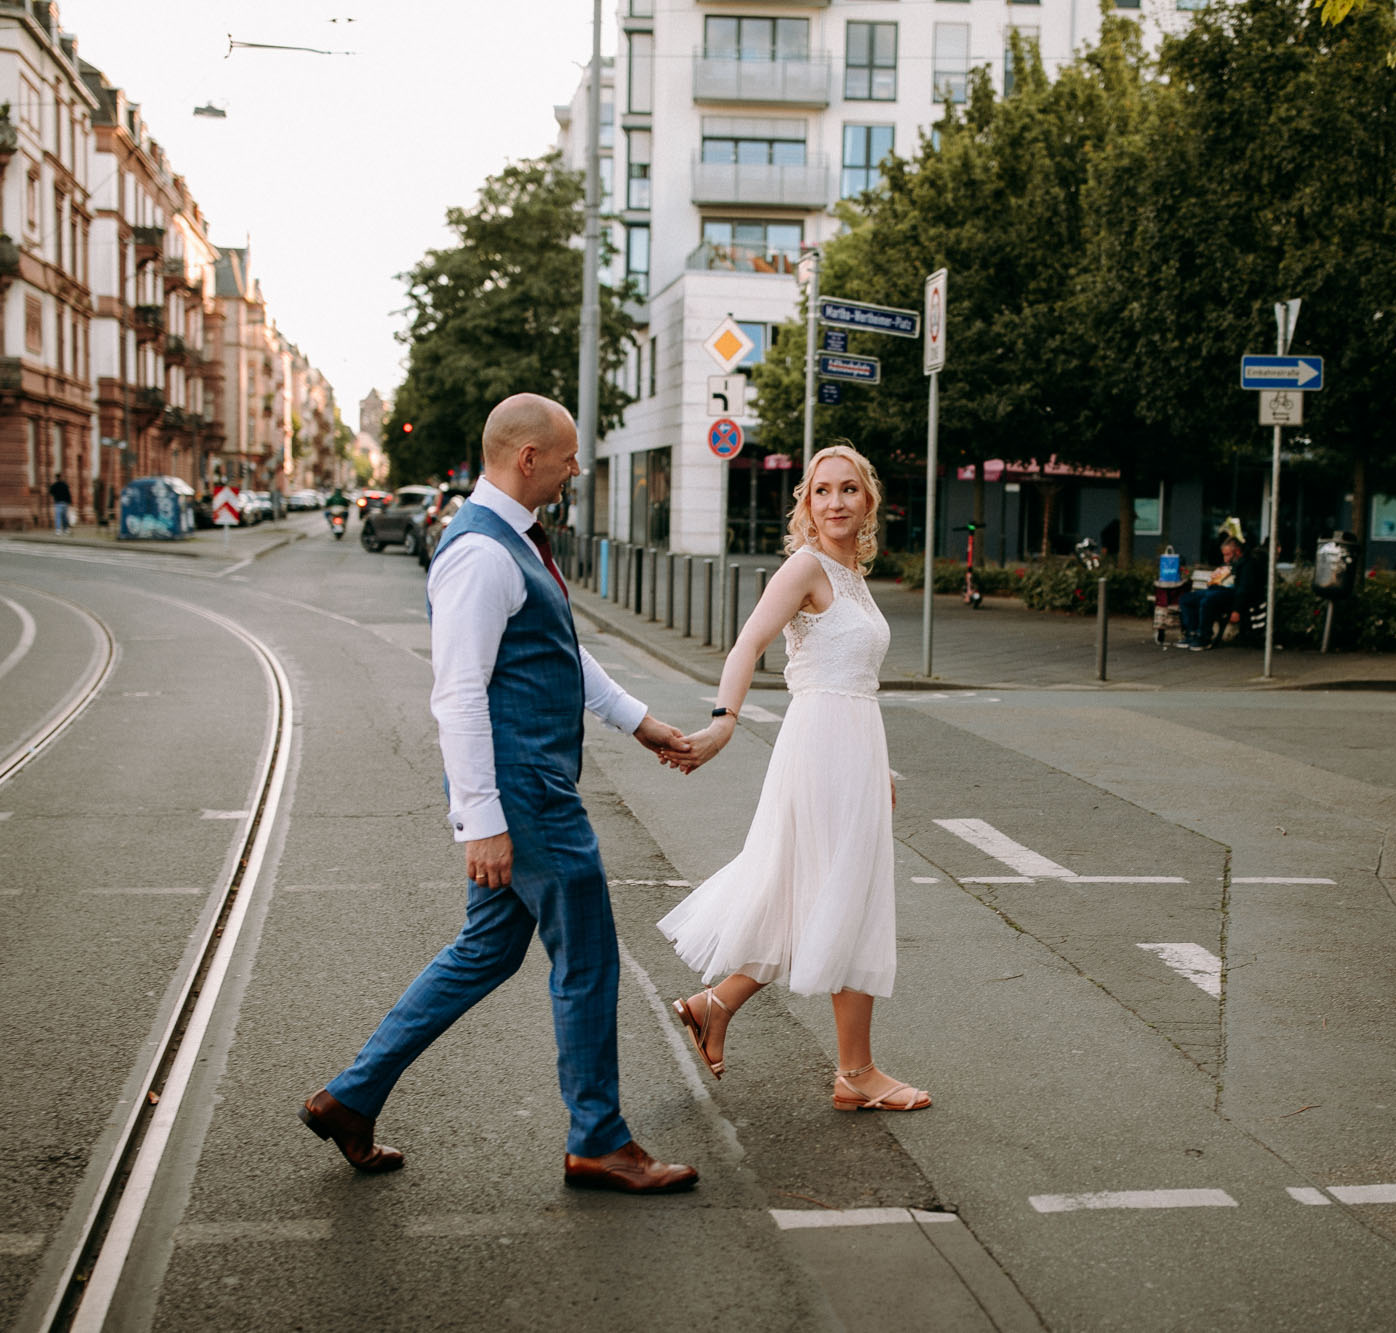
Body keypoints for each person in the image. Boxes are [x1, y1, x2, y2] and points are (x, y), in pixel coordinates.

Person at [301, 393, 701, 1194]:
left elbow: (559, 652)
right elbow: (457, 693)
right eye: (568, 456)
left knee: (486, 950)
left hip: (527, 786)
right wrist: (482, 821)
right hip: (527, 794)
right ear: (528, 460)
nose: (575, 469)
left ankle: (351, 1096)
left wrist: (641, 723)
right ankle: (598, 1139)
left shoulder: (513, 542)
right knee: (588, 959)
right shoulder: (481, 554)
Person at [658, 444, 931, 1114]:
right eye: (820, 491)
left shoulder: (853, 575)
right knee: (843, 893)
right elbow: (748, 643)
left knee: (815, 893)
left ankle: (714, 1005)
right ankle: (855, 1071)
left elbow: (855, 682)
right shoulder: (806, 567)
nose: (834, 501)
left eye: (847, 489)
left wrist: (878, 766)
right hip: (818, 747)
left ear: (868, 499)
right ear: (805, 503)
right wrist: (723, 722)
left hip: (853, 747)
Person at [1175, 535, 1245, 650]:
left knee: (1207, 600)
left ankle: (1204, 636)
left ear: (1237, 552)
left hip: (1229, 593)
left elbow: (1243, 589)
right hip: (1215, 590)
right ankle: (1191, 633)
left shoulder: (1244, 565)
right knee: (1186, 599)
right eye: (1223, 555)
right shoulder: (1226, 564)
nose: (1225, 559)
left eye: (1228, 555)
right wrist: (1213, 578)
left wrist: (1237, 609)